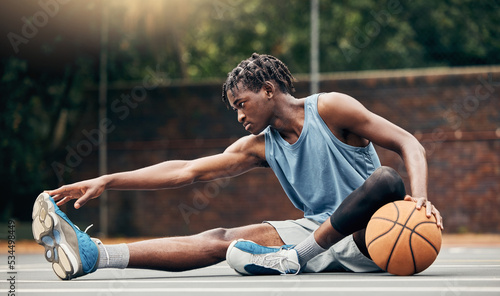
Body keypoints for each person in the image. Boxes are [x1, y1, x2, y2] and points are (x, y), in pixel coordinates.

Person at [32, 53, 443, 280]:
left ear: (269, 90)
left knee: (387, 180)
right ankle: (97, 257)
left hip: (374, 231)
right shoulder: (259, 147)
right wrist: (109, 179)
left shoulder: (331, 107)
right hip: (320, 230)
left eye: (242, 105)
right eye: (234, 110)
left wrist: (420, 201)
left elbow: (409, 143)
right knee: (221, 238)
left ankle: (293, 257)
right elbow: (187, 170)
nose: (239, 117)